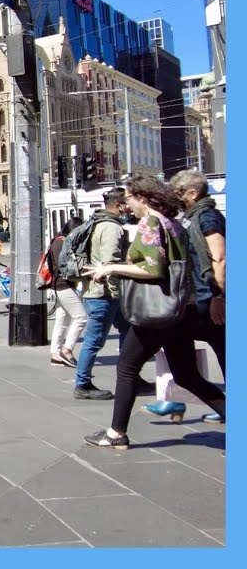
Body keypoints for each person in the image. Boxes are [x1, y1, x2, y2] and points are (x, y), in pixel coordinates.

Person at [82, 175, 226, 449]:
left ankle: (116, 434)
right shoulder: (174, 223)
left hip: (155, 312)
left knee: (126, 369)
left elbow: (152, 268)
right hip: (177, 310)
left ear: (143, 199)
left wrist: (110, 268)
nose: (128, 205)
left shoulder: (151, 222)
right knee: (187, 376)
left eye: (130, 199)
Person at [164, 169, 226, 424]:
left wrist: (218, 297)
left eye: (180, 193)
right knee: (184, 367)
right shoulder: (190, 217)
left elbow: (219, 259)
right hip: (196, 302)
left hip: (209, 302)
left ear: (193, 192)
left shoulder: (207, 217)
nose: (177, 198)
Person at [74, 189, 131, 401]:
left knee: (127, 330)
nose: (129, 208)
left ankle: (130, 375)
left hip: (97, 291)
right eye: (126, 203)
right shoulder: (111, 228)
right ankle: (82, 384)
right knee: (94, 340)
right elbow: (110, 263)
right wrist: (117, 293)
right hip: (104, 293)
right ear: (118, 205)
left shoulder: (95, 223)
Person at [46, 219, 87, 368]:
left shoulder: (57, 240)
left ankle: (56, 355)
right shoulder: (62, 243)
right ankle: (67, 351)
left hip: (60, 285)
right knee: (81, 317)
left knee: (62, 320)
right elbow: (65, 266)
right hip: (63, 285)